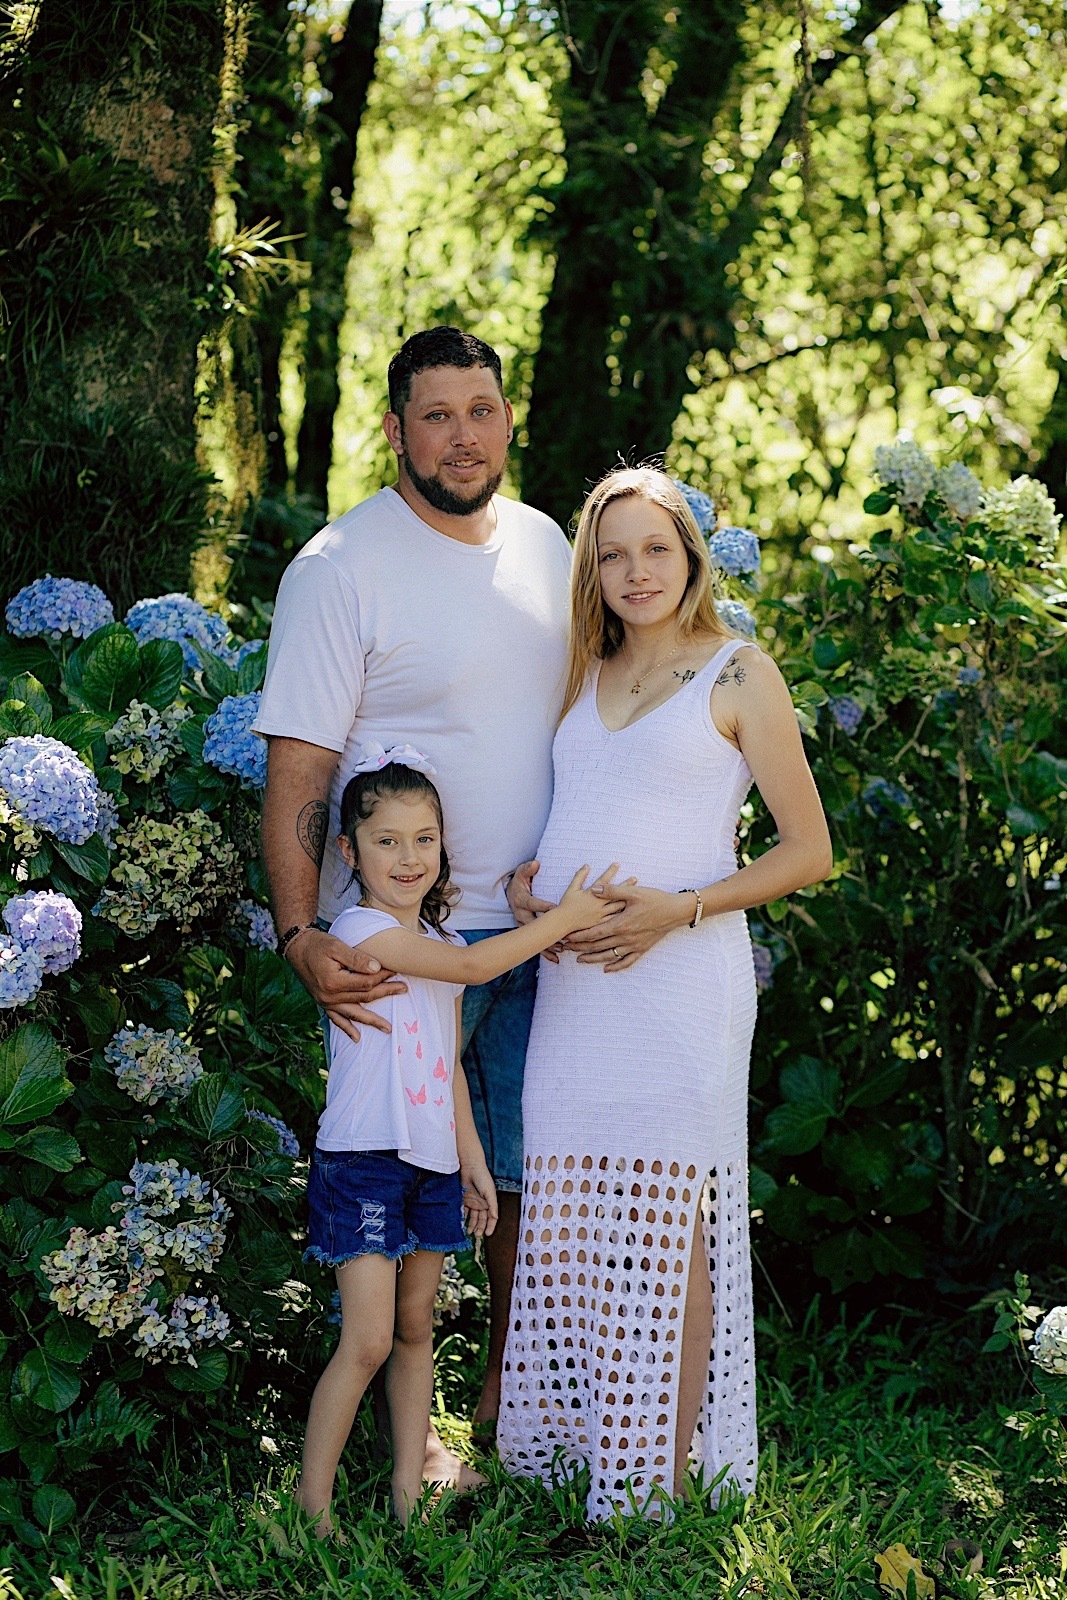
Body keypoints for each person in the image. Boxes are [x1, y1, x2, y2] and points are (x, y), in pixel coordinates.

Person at [254, 327, 573, 1470]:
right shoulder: (341, 566)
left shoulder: (547, 546)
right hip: (402, 952)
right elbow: (296, 771)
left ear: (505, 418)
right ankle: (405, 1445)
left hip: (543, 932)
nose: (461, 434)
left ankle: (511, 1407)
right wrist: (299, 932)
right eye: (435, 415)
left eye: (479, 409)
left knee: (527, 1178)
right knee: (402, 1185)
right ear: (394, 429)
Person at [497, 466, 833, 1520]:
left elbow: (809, 850)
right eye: (611, 553)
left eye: (655, 548)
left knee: (664, 1213)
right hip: (574, 985)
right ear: (590, 571)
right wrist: (528, 889)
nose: (634, 571)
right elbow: (579, 798)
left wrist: (675, 908)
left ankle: (657, 1481)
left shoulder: (737, 673)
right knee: (570, 1212)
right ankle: (576, 1449)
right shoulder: (580, 669)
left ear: (689, 555)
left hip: (680, 976)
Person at [296, 745, 616, 1531]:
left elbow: (442, 1074)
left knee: (414, 1332)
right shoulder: (363, 928)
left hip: (432, 1165)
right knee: (367, 1340)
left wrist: (471, 1166)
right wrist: (564, 920)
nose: (408, 858)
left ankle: (411, 1495)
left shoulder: (433, 940)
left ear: (443, 848)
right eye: (386, 840)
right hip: (366, 1163)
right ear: (349, 851)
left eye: (424, 840)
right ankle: (309, 1509)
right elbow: (473, 974)